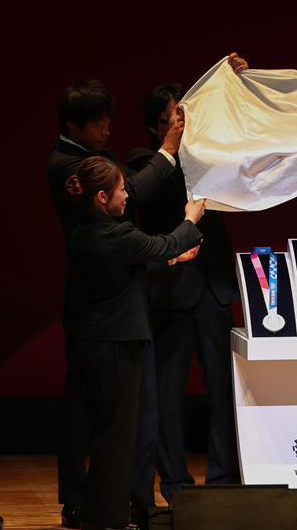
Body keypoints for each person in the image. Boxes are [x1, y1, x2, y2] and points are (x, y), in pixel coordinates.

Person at [48, 80, 181, 528]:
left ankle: (116, 503)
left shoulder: (90, 160)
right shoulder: (68, 167)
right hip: (101, 315)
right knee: (95, 418)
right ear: (73, 125)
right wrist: (167, 152)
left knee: (117, 418)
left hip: (113, 306)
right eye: (97, 123)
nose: (107, 129)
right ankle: (88, 504)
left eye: (109, 121)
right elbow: (133, 193)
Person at [65, 155, 206, 530]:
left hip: (100, 340)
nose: (127, 195)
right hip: (116, 342)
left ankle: (102, 515)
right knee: (116, 435)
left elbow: (134, 267)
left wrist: (172, 260)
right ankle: (106, 518)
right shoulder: (114, 233)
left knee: (110, 432)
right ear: (102, 197)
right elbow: (164, 244)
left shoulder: (86, 232)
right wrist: (191, 218)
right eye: (120, 189)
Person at [127, 77, 243, 518]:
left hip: (214, 288)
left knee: (224, 389)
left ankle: (223, 480)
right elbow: (150, 194)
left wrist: (232, 83)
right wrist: (172, 147)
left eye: (184, 120)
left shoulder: (207, 151)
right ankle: (175, 483)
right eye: (171, 121)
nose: (181, 127)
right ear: (154, 126)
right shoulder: (144, 162)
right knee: (167, 395)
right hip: (171, 291)